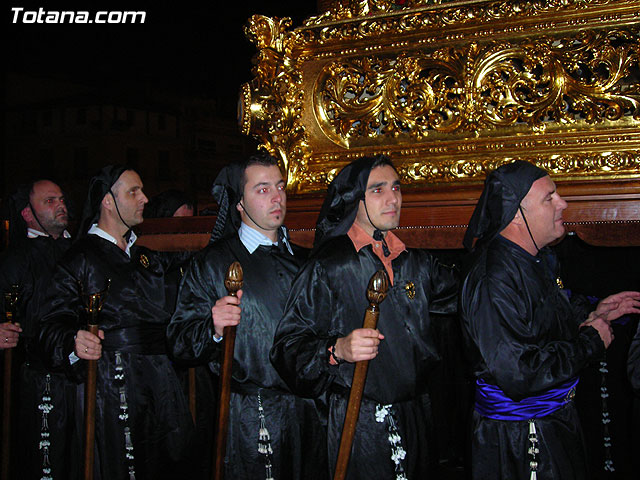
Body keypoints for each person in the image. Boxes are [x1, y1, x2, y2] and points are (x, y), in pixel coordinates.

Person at [270, 154, 459, 480]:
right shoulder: (330, 265)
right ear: (353, 199)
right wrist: (335, 349)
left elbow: (465, 297)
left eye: (396, 188)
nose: (393, 198)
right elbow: (288, 347)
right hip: (359, 422)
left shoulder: (415, 263)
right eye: (378, 190)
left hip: (416, 418)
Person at [460, 160, 640, 479]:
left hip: (551, 422)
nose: (563, 203)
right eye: (550, 197)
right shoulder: (495, 280)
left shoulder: (535, 259)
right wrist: (590, 342)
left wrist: (593, 315)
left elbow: (545, 321)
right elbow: (518, 373)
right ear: (517, 213)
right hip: (519, 437)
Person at [167, 152, 327, 480]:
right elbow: (179, 342)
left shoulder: (308, 261)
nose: (277, 197)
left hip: (310, 411)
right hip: (251, 417)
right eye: (262, 189)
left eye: (280, 187)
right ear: (239, 203)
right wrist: (212, 327)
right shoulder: (212, 264)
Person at [38, 165, 193, 480]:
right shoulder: (79, 258)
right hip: (113, 385)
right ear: (107, 201)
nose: (145, 198)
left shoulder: (146, 257)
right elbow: (49, 324)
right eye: (133, 192)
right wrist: (73, 340)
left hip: (161, 383)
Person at [0, 179, 75, 479]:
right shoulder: (14, 260)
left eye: (61, 198)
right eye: (50, 200)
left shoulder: (81, 248)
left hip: (86, 375)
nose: (61, 204)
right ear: (27, 214)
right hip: (39, 380)